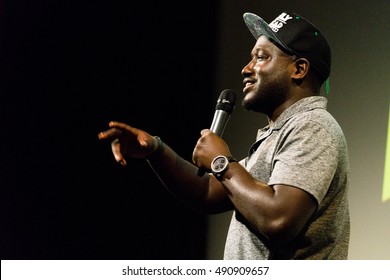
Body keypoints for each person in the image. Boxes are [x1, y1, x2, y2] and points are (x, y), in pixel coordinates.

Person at [98, 11, 350, 260]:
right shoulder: (279, 133)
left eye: (261, 58)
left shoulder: (313, 125)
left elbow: (279, 219)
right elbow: (207, 191)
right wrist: (155, 149)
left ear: (299, 69)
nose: (246, 69)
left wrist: (221, 162)